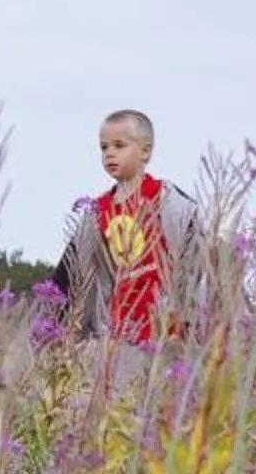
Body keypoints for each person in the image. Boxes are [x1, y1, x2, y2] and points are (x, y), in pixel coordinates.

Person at [56, 111, 199, 345]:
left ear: (145, 151)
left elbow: (198, 268)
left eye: (119, 145)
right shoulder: (97, 213)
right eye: (103, 147)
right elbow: (70, 276)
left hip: (164, 337)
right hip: (114, 338)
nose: (109, 153)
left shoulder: (172, 205)